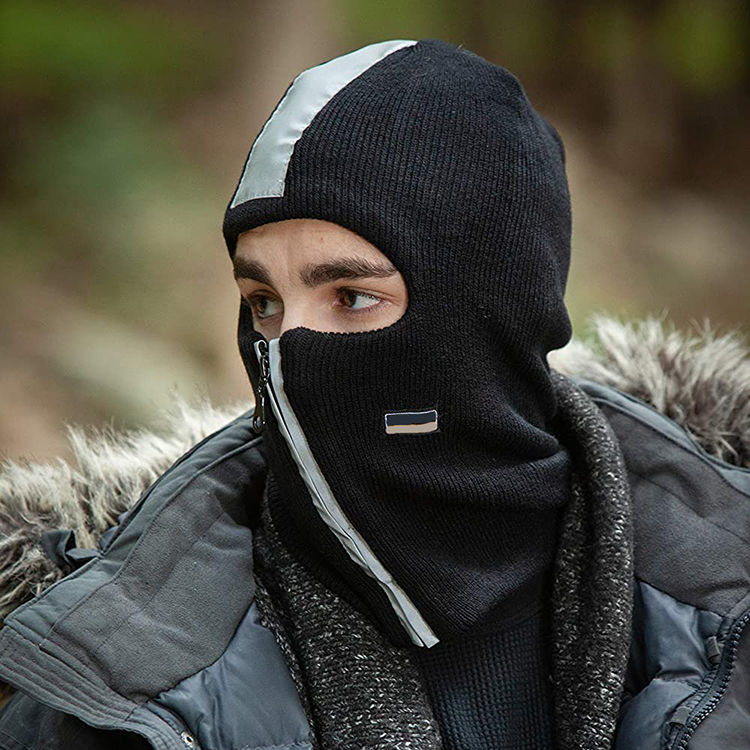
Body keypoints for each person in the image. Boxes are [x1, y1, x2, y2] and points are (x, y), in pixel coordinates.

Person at [0, 38, 748, 750]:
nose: (287, 356)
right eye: (263, 303)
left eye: (351, 297)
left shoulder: (724, 595)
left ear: (494, 311)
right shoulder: (107, 667)